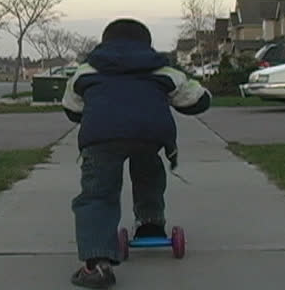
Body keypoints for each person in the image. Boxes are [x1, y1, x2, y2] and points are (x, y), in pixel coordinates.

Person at [62, 18, 211, 288]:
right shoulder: (162, 68)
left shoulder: (86, 70)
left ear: (104, 42)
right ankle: (150, 224)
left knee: (98, 195)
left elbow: (72, 109)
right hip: (148, 135)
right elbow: (196, 99)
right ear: (147, 44)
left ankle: (97, 264)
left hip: (101, 137)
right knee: (148, 175)